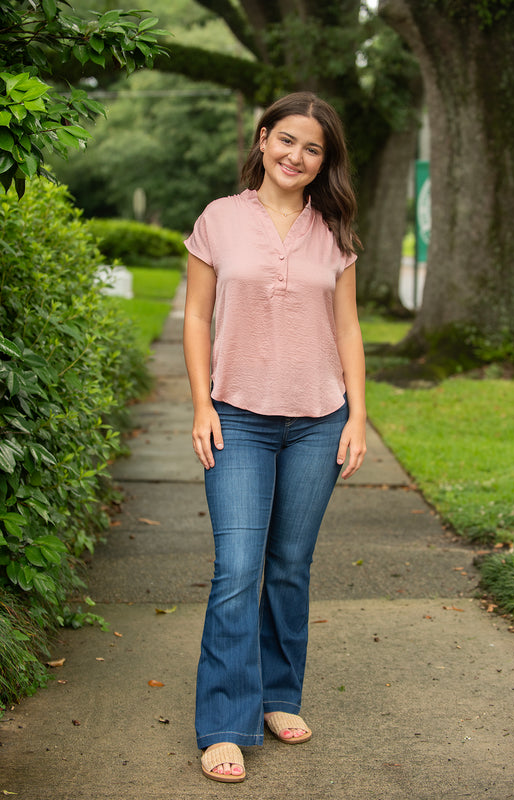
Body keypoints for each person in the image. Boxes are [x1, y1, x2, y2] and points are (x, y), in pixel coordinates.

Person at [183, 91, 366, 783]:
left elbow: (346, 327)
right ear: (262, 140)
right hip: (236, 417)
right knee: (237, 569)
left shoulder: (334, 230)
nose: (296, 156)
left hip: (318, 418)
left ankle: (277, 696)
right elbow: (197, 319)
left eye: (312, 148)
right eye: (286, 140)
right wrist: (200, 405)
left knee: (289, 565)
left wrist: (357, 413)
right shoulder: (219, 220)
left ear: (325, 162)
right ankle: (224, 722)